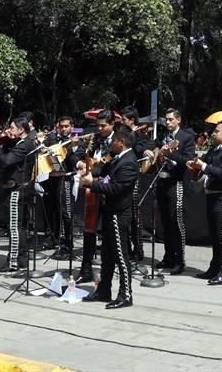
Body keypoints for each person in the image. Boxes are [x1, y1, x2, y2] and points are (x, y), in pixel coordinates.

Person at [80, 126, 138, 309]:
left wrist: (91, 185)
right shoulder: (117, 159)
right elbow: (103, 173)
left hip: (119, 214)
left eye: (114, 141)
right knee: (107, 255)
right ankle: (104, 289)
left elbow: (115, 188)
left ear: (121, 142)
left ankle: (126, 294)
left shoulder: (129, 162)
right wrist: (89, 171)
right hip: (108, 212)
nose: (111, 144)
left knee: (121, 256)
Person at [188, 121, 222, 285]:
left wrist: (203, 166)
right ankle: (214, 267)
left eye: (216, 131)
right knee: (215, 235)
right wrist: (195, 165)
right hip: (211, 195)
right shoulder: (214, 150)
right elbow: (206, 164)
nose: (213, 134)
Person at [143, 108, 195, 274]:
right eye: (166, 120)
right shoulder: (163, 135)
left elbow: (187, 160)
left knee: (176, 222)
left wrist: (171, 153)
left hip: (176, 183)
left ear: (179, 120)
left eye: (171, 119)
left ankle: (180, 261)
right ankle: (168, 257)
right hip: (161, 181)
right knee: (165, 222)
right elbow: (151, 145)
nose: (168, 122)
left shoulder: (186, 137)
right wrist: (148, 150)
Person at [0, 116, 37, 273]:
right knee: (21, 226)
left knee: (15, 227)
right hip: (22, 188)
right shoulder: (22, 143)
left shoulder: (23, 145)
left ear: (21, 129)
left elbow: (7, 161)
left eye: (12, 127)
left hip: (17, 189)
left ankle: (13, 261)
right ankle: (22, 258)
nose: (9, 130)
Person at [77, 109, 116, 283]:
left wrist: (95, 170)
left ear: (112, 124)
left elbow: (111, 164)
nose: (100, 129)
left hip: (108, 189)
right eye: (98, 125)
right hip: (92, 188)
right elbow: (81, 156)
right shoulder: (95, 139)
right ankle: (85, 269)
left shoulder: (118, 141)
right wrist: (81, 163)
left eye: (103, 126)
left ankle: (108, 270)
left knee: (108, 232)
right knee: (89, 230)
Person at [42, 116, 83, 259]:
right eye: (61, 126)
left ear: (72, 127)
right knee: (51, 208)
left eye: (67, 126)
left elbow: (77, 157)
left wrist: (74, 146)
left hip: (66, 178)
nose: (64, 129)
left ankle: (68, 244)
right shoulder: (52, 138)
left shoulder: (77, 140)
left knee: (66, 211)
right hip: (51, 177)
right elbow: (43, 149)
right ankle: (52, 238)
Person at [120, 106, 149, 263]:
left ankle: (138, 251)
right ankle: (126, 249)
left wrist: (134, 136)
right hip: (121, 177)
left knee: (134, 216)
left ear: (131, 120)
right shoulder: (122, 133)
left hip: (133, 177)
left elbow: (142, 148)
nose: (122, 122)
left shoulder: (140, 134)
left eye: (124, 119)